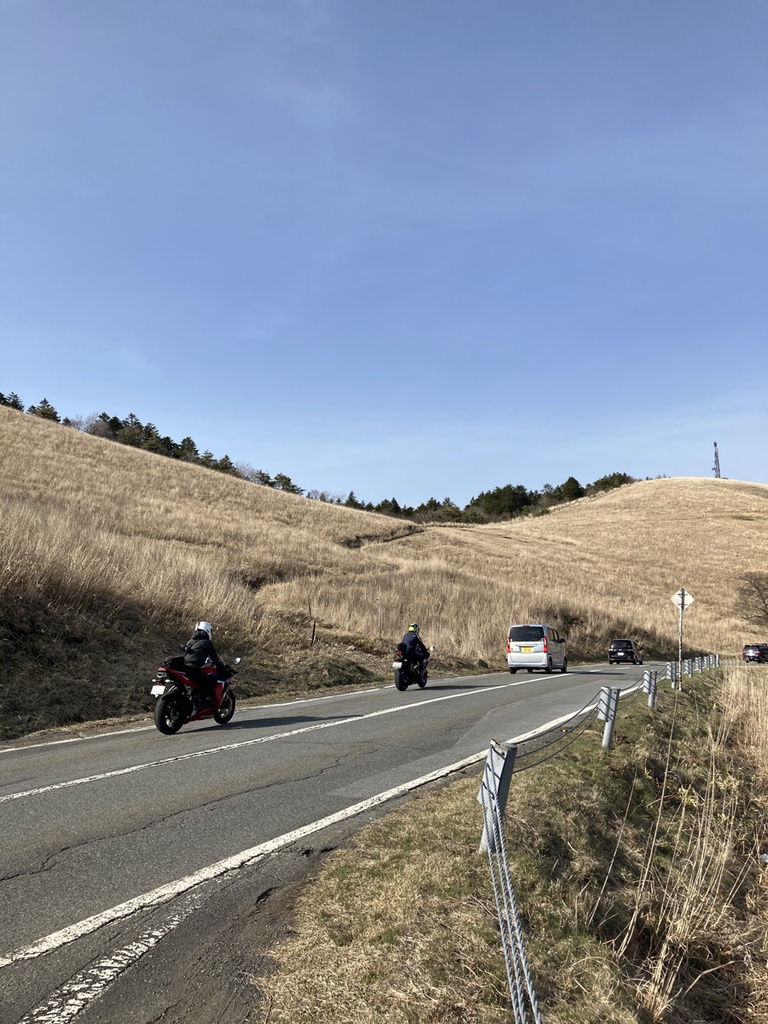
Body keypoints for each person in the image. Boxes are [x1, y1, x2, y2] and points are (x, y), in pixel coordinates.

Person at [183, 621, 227, 707]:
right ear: (207, 630)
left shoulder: (190, 641)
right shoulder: (206, 643)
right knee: (211, 680)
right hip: (193, 669)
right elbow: (215, 659)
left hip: (184, 668)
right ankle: (203, 699)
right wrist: (225, 672)